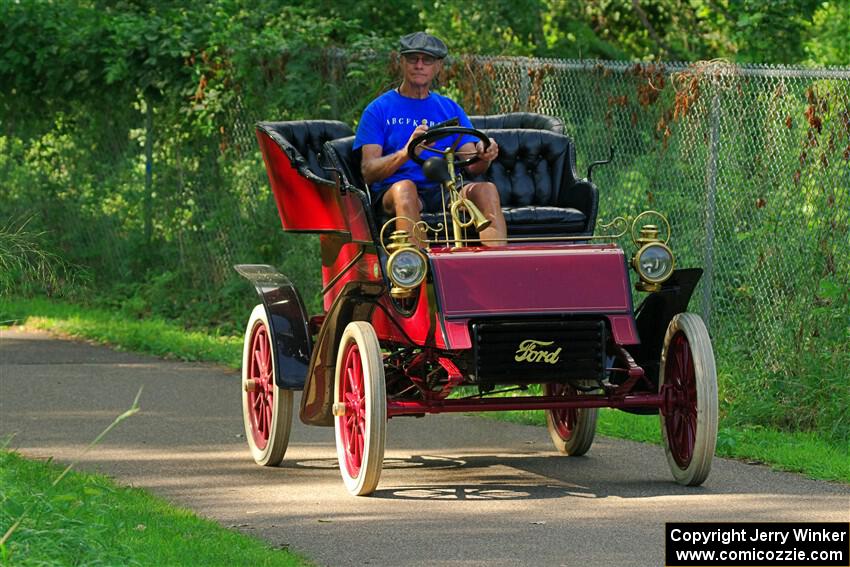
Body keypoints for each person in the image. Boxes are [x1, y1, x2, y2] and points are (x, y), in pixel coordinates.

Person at [353, 31, 507, 246]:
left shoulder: (449, 108)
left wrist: (485, 153)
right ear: (402, 62)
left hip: (445, 189)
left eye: (427, 60)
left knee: (486, 190)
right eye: (413, 59)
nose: (419, 65)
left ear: (438, 67)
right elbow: (368, 172)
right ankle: (420, 274)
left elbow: (473, 166)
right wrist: (407, 152)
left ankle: (496, 270)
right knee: (405, 187)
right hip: (396, 192)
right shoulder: (378, 110)